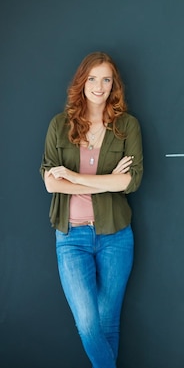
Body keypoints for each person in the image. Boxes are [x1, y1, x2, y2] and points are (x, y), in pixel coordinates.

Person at [40, 52, 143, 368]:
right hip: (71, 238)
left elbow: (132, 181)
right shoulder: (60, 125)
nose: (99, 86)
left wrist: (71, 175)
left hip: (115, 236)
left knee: (108, 322)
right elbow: (50, 183)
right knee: (87, 322)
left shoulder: (127, 126)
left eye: (107, 79)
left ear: (114, 85)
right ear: (82, 81)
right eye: (93, 78)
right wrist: (106, 181)